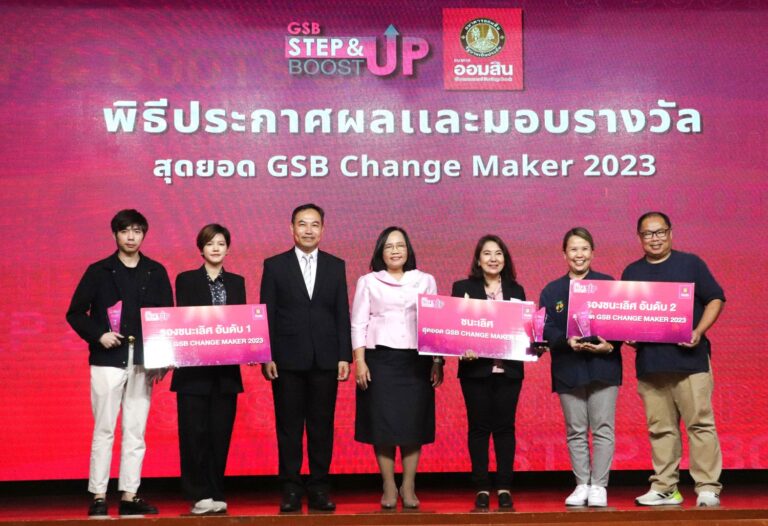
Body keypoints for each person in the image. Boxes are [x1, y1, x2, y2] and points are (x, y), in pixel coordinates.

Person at [66, 209, 173, 517]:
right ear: (115, 234)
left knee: (135, 431)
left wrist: (162, 360)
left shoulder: (156, 271)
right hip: (107, 360)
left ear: (144, 235)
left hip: (142, 362)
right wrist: (98, 335)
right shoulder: (98, 271)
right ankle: (98, 495)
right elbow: (75, 313)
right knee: (104, 429)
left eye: (137, 231)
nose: (131, 237)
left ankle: (129, 494)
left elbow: (165, 317)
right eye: (125, 231)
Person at [622, 212, 725, 507]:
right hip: (651, 364)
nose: (654, 238)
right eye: (648, 234)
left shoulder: (691, 263)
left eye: (660, 232)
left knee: (700, 424)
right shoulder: (631, 272)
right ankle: (666, 487)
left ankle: (707, 487)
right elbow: (626, 315)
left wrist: (698, 331)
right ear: (639, 238)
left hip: (690, 362)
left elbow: (716, 298)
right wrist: (628, 334)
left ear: (670, 233)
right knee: (660, 429)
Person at [259, 203, 352, 512]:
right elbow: (267, 313)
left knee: (321, 427)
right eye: (302, 224)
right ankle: (290, 488)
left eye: (314, 224)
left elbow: (341, 312)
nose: (308, 230)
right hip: (286, 360)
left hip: (326, 359)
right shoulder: (275, 265)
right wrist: (266, 355)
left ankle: (319, 487)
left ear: (322, 229)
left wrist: (344, 355)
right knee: (288, 428)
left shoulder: (335, 265)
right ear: (292, 228)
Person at [351, 227, 444, 510]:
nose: (395, 251)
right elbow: (358, 322)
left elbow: (435, 322)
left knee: (413, 424)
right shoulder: (368, 281)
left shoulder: (425, 280)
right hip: (379, 359)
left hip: (416, 361)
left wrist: (437, 361)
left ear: (408, 250)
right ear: (381, 252)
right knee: (383, 424)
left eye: (400, 245)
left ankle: (409, 484)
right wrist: (360, 361)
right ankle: (389, 484)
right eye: (389, 246)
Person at [539, 227, 622, 507]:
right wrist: (566, 341)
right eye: (573, 249)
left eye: (584, 248)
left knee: (602, 428)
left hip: (603, 365)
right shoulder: (552, 290)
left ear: (593, 253)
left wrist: (610, 346)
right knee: (575, 429)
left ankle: (599, 485)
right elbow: (545, 326)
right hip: (568, 366)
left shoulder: (607, 284)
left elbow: (621, 321)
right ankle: (582, 484)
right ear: (564, 254)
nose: (579, 254)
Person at [171, 224, 246, 515]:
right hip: (193, 373)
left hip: (226, 375)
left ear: (228, 248)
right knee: (193, 435)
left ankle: (215, 491)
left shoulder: (237, 282)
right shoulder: (186, 279)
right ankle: (198, 493)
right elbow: (184, 322)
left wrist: (252, 347)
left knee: (220, 434)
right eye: (210, 243)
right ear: (201, 248)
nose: (216, 248)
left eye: (221, 243)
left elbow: (242, 324)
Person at [450, 234, 526, 510]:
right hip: (475, 370)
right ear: (478, 260)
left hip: (508, 370)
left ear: (505, 259)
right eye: (487, 254)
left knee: (505, 428)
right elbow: (454, 329)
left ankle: (504, 487)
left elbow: (523, 328)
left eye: (498, 253)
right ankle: (481, 487)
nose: (493, 259)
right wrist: (462, 348)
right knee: (479, 428)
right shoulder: (462, 288)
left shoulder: (516, 290)